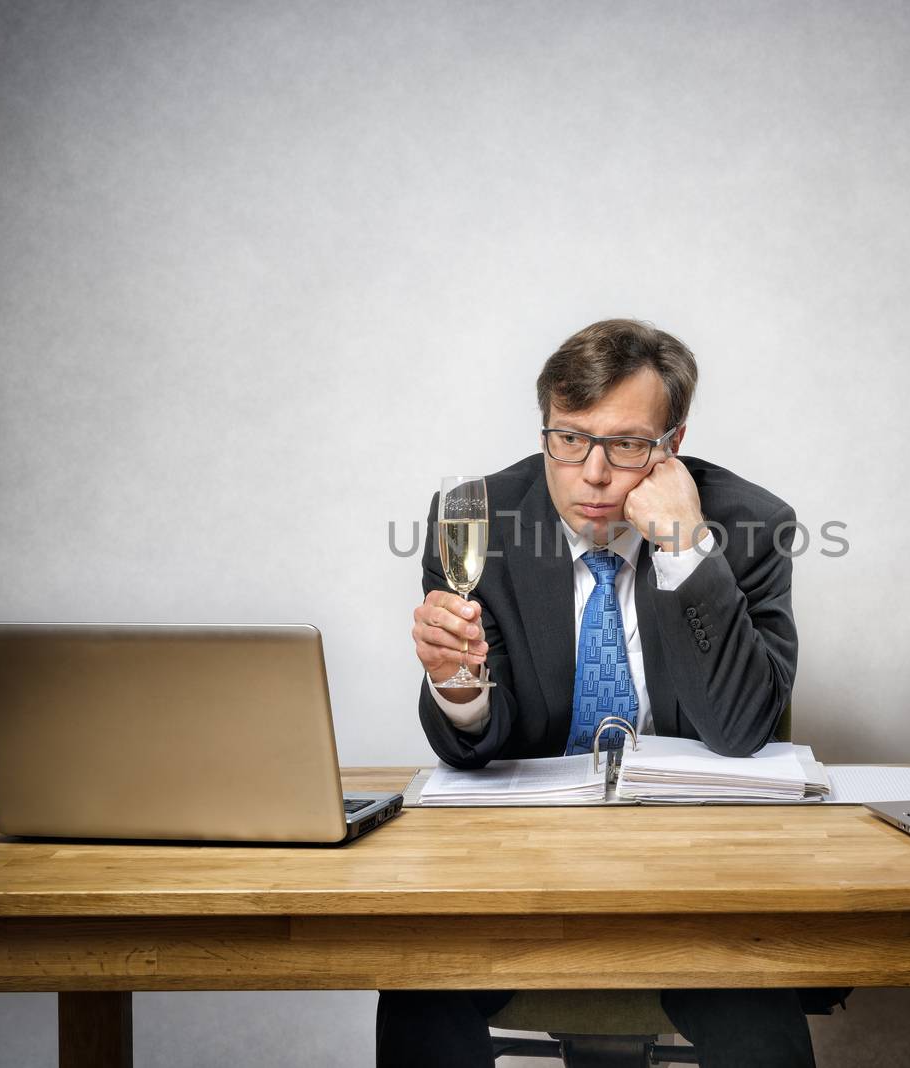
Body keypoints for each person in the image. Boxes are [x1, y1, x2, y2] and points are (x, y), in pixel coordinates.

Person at [378, 319, 814, 1068]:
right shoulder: (474, 519)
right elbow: (475, 746)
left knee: (759, 1005)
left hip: (698, 879)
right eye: (570, 438)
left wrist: (686, 551)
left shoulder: (749, 525)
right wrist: (460, 688)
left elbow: (742, 727)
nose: (594, 472)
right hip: (515, 874)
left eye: (627, 444)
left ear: (671, 444)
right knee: (414, 979)